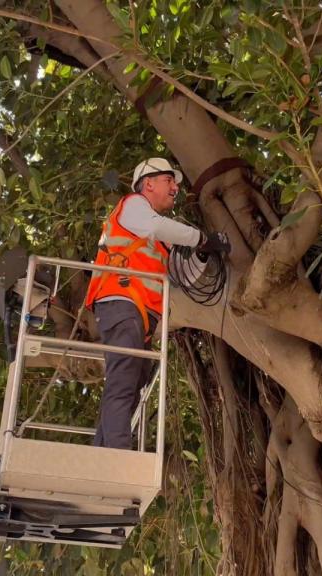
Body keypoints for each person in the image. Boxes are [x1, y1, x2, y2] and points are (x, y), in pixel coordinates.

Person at [84, 157, 230, 449]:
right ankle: (116, 453)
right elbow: (157, 227)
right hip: (122, 303)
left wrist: (203, 253)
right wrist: (201, 238)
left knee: (133, 382)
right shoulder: (134, 206)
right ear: (148, 184)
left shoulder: (158, 237)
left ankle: (103, 451)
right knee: (124, 379)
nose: (175, 187)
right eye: (168, 180)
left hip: (139, 315)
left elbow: (181, 277)